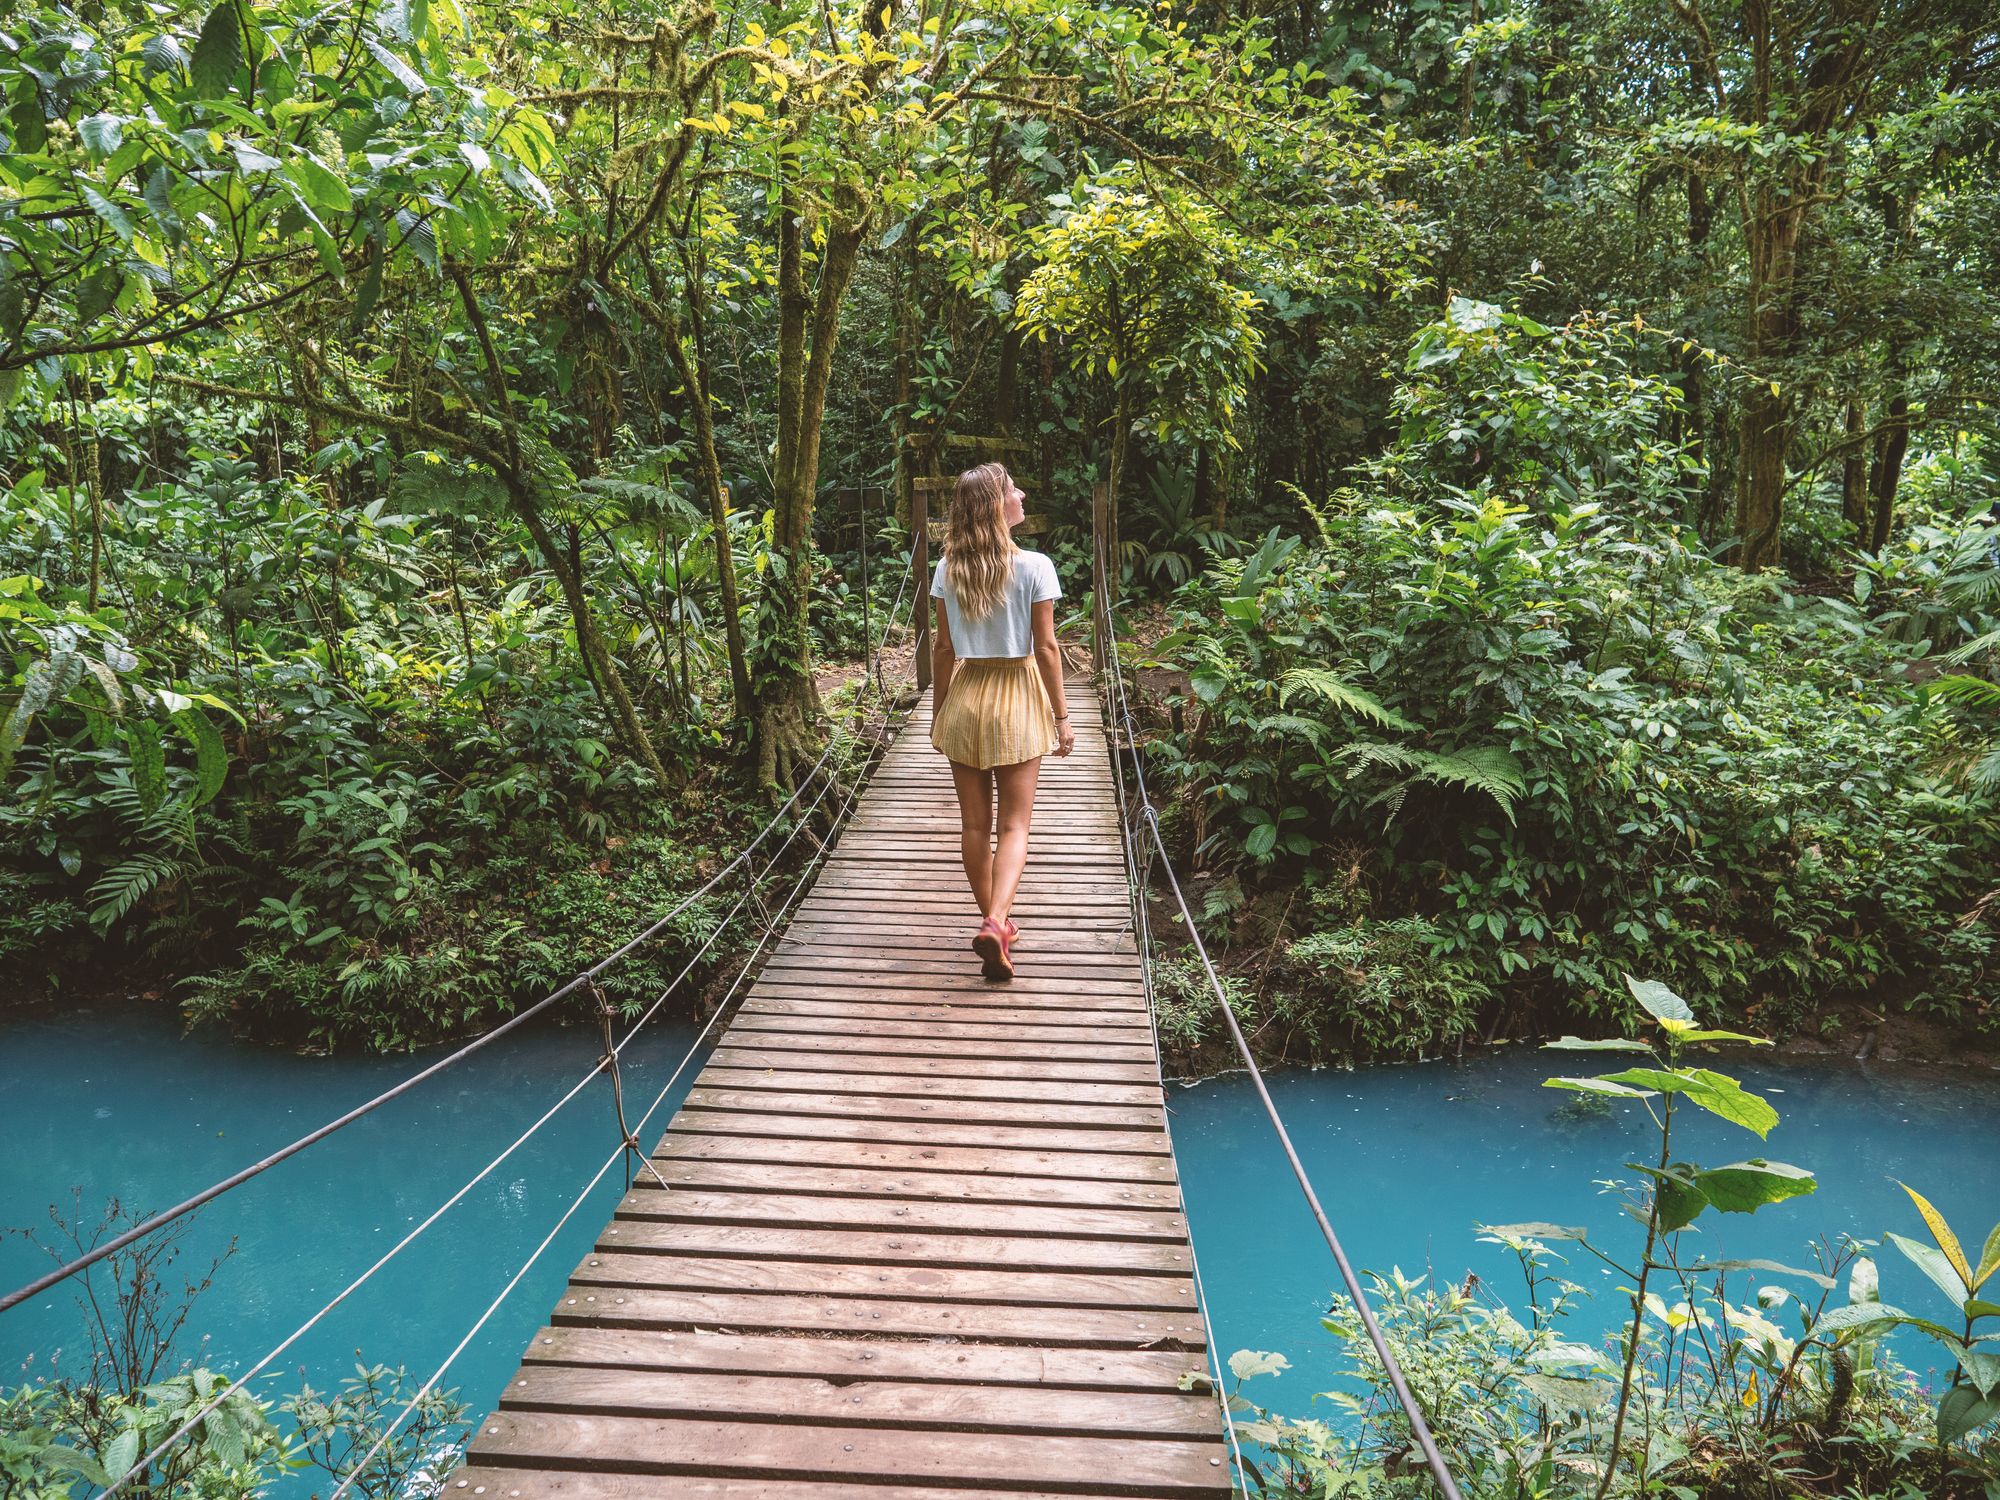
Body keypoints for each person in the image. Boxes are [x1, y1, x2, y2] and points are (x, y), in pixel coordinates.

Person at [928, 462, 1076, 980]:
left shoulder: (947, 569)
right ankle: (996, 922)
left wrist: (937, 712)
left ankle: (995, 927)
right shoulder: (1035, 565)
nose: (1022, 492)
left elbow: (943, 648)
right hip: (1018, 695)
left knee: (974, 825)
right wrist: (1062, 717)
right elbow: (1047, 647)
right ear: (997, 506)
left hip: (966, 696)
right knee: (1015, 825)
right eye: (1013, 488)